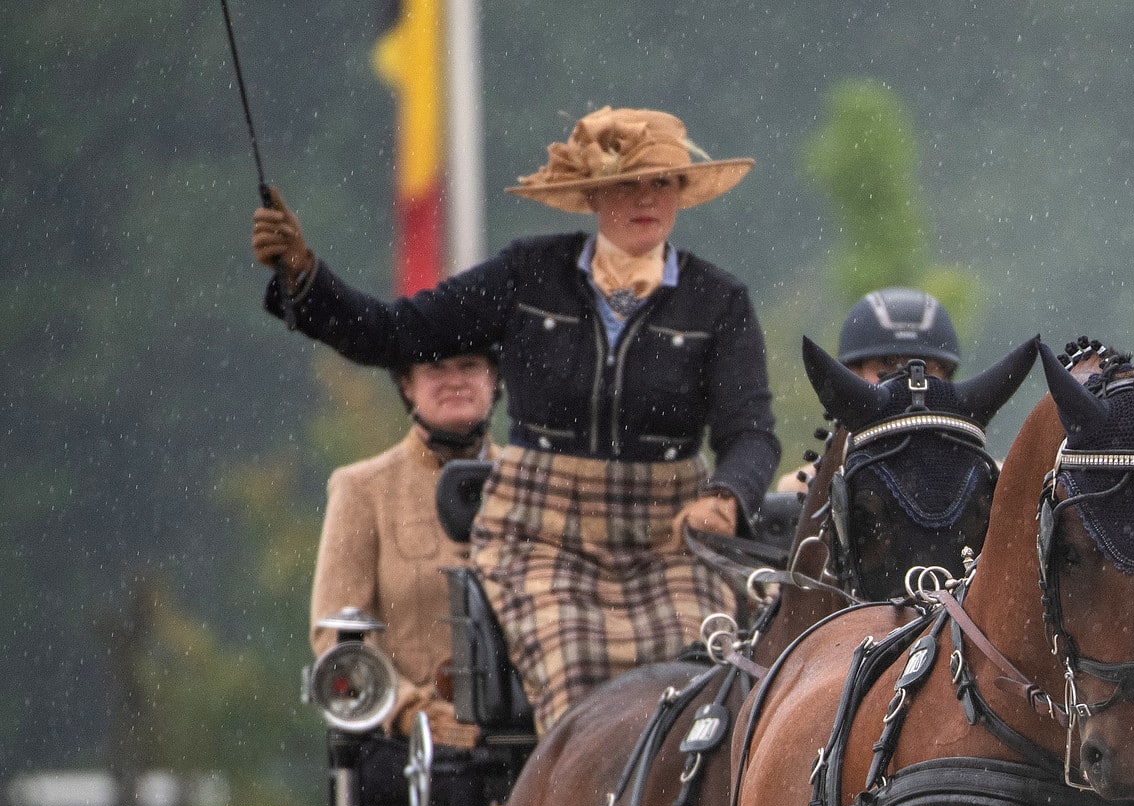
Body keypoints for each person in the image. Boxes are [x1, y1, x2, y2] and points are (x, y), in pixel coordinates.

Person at [253, 107, 778, 731]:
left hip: (669, 541)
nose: (646, 198)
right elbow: (393, 332)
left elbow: (751, 434)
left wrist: (725, 497)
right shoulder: (529, 275)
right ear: (592, 195)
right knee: (582, 691)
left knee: (705, 689)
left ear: (681, 195)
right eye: (627, 182)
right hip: (541, 538)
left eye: (662, 182)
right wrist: (304, 276)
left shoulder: (719, 301)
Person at [310, 349, 499, 749]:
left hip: (533, 744)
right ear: (407, 385)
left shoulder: (535, 485)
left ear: (494, 379)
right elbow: (337, 637)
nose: (455, 381)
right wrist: (411, 713)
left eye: (469, 366)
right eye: (436, 367)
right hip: (407, 754)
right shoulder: (363, 488)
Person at [777, 287, 962, 491]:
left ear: (946, 376)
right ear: (851, 374)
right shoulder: (799, 488)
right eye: (888, 362)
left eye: (922, 366)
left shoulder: (990, 483)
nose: (907, 379)